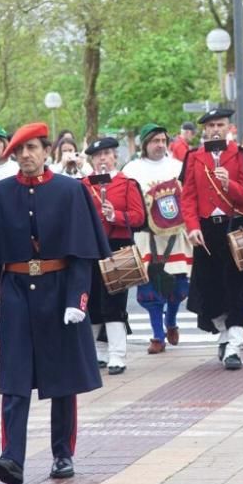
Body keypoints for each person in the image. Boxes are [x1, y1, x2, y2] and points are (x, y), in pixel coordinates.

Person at [0, 122, 108, 484]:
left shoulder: (70, 191)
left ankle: (62, 454)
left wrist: (77, 299)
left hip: (59, 287)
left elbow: (82, 252)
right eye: (19, 151)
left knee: (62, 378)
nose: (26, 156)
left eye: (32, 148)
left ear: (47, 150)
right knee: (14, 379)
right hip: (17, 290)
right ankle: (11, 459)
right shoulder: (0, 194)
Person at [181, 108, 243, 370]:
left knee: (238, 288)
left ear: (229, 127)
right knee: (210, 289)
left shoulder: (242, 156)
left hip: (236, 227)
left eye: (220, 124)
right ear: (205, 130)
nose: (215, 129)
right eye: (211, 126)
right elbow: (188, 197)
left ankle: (234, 347)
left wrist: (230, 184)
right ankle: (224, 332)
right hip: (207, 230)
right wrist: (192, 226)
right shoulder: (194, 157)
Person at [122, 123, 192, 354]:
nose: (160, 145)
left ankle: (170, 320)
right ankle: (157, 335)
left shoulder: (178, 166)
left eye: (163, 140)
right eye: (155, 141)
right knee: (150, 288)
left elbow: (189, 196)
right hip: (146, 236)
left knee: (180, 286)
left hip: (176, 235)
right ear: (145, 144)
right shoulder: (132, 169)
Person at [83, 136, 145, 374]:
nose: (102, 159)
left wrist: (116, 216)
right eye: (98, 156)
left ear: (114, 156)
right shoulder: (84, 185)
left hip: (118, 246)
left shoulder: (127, 183)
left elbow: (139, 219)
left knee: (115, 302)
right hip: (91, 247)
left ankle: (118, 354)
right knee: (93, 301)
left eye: (107, 154)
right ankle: (98, 353)